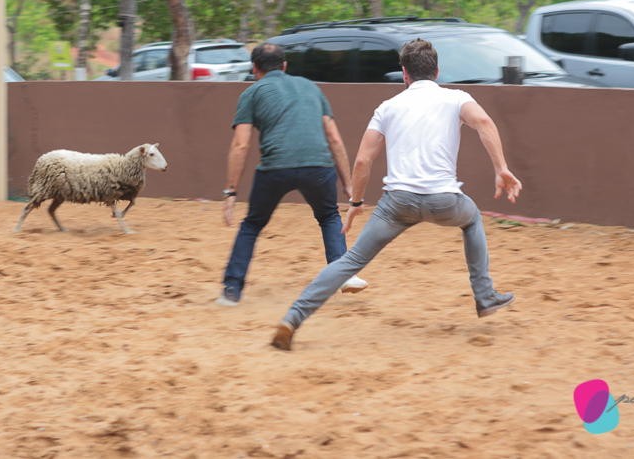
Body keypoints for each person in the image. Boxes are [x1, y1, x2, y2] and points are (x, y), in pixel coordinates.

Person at [271, 38, 522, 350]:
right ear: (437, 71)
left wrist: (356, 203)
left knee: (350, 261)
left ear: (404, 73)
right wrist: (501, 168)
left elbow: (363, 160)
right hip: (443, 201)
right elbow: (483, 121)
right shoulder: (457, 98)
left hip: (396, 205)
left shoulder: (387, 108)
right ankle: (484, 296)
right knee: (471, 220)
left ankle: (293, 317)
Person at [217, 42, 368, 306]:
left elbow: (241, 145)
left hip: (275, 168)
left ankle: (232, 291)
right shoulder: (311, 87)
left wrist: (231, 191)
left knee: (252, 225)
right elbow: (334, 139)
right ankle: (345, 275)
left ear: (254, 68)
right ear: (285, 66)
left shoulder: (251, 93)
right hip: (319, 168)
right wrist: (348, 184)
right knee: (329, 215)